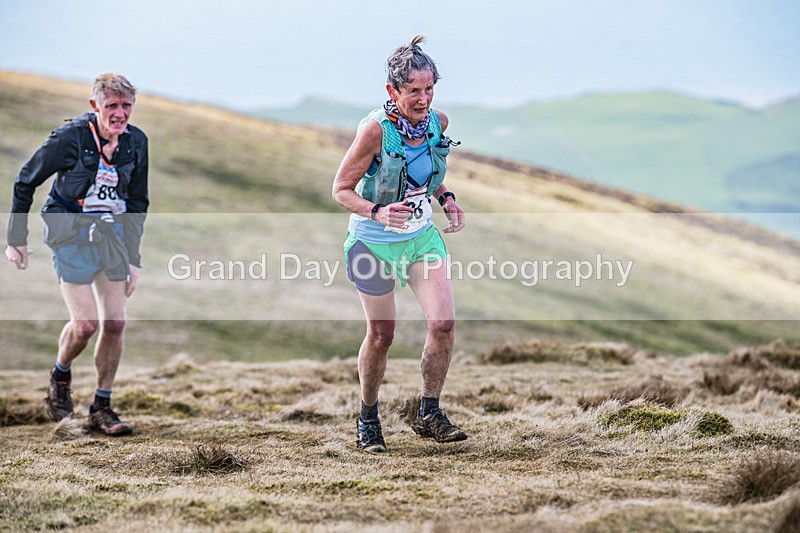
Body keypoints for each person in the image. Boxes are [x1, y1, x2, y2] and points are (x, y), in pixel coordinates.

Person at [332, 35, 467, 452]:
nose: (423, 99)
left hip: (421, 238)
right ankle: (368, 418)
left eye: (429, 89)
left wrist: (446, 199)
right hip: (372, 242)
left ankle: (429, 411)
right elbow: (341, 188)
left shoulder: (437, 123)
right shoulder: (376, 130)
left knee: (443, 324)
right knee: (382, 335)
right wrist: (377, 211)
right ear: (393, 91)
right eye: (414, 91)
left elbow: (427, 171)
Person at [5, 73, 149, 436]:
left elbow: (136, 202)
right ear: (94, 106)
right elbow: (26, 180)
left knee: (115, 324)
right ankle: (60, 376)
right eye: (112, 105)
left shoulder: (136, 143)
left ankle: (102, 407)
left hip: (111, 237)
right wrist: (15, 239)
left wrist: (133, 258)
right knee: (85, 325)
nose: (120, 113)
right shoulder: (70, 138)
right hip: (70, 234)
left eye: (126, 105)